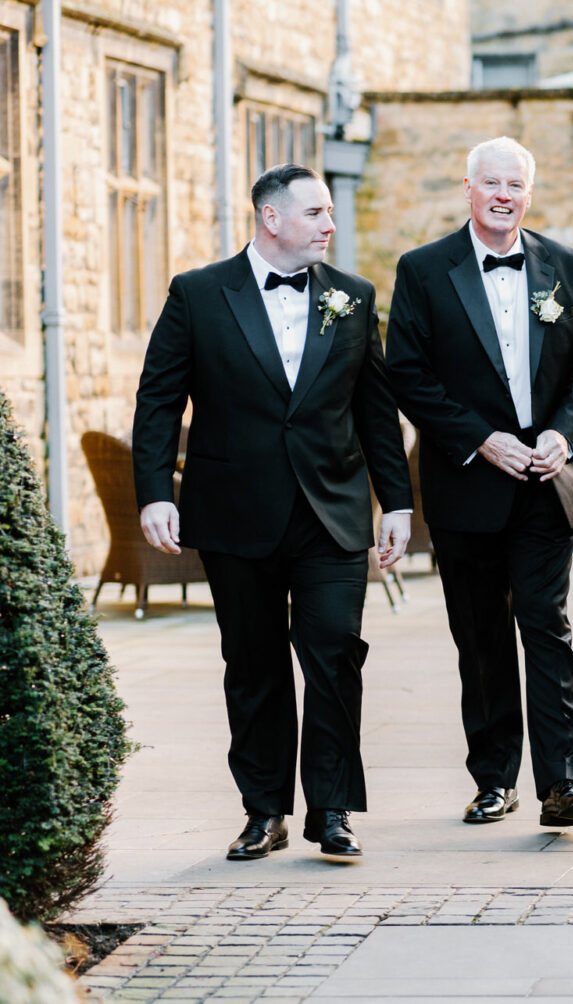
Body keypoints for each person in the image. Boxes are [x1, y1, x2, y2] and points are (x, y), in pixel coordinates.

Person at [133, 163, 412, 860]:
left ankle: (333, 809)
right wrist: (155, 493)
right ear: (271, 219)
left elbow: (376, 410)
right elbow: (159, 400)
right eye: (316, 213)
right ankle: (263, 810)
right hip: (235, 511)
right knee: (253, 665)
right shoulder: (198, 295)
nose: (329, 224)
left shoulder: (354, 295)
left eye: (329, 213)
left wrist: (398, 502)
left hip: (333, 512)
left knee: (334, 657)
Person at [384, 137, 573, 829]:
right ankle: (494, 779)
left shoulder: (565, 266)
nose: (504, 195)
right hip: (465, 487)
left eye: (516, 183)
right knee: (480, 636)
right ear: (469, 188)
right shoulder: (424, 270)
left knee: (546, 624)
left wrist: (560, 435)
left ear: (528, 193)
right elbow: (408, 374)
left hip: (545, 483)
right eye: (492, 183)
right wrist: (481, 440)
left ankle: (564, 783)